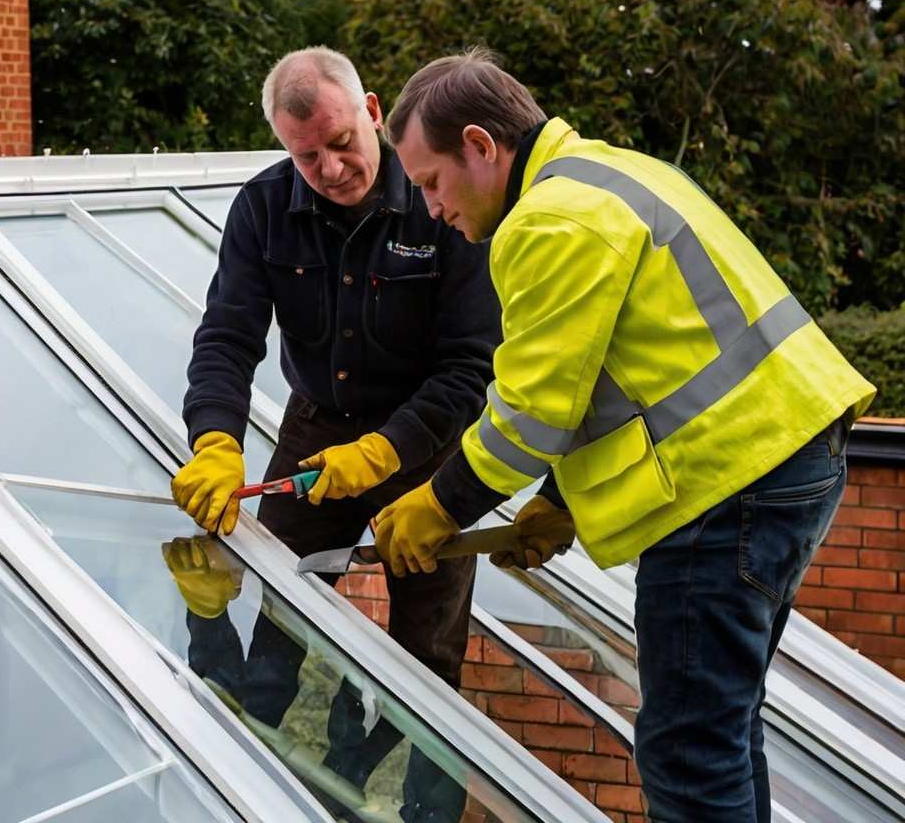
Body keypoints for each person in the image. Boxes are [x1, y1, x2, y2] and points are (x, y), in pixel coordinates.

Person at [372, 48, 875, 823]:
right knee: (724, 735)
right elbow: (611, 375)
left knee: (686, 752)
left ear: (479, 144)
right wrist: (561, 499)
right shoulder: (614, 175)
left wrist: (439, 505)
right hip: (786, 459)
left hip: (726, 486)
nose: (431, 209)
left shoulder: (548, 220)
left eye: (432, 182)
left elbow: (531, 411)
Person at [169, 46, 500, 819]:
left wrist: (389, 451)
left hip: (428, 446)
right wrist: (214, 439)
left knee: (429, 663)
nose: (330, 168)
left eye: (342, 142)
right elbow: (226, 336)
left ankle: (423, 815)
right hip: (314, 433)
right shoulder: (262, 209)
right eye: (305, 154)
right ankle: (244, 789)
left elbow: (468, 368)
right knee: (276, 624)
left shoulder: (440, 200)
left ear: (374, 111)